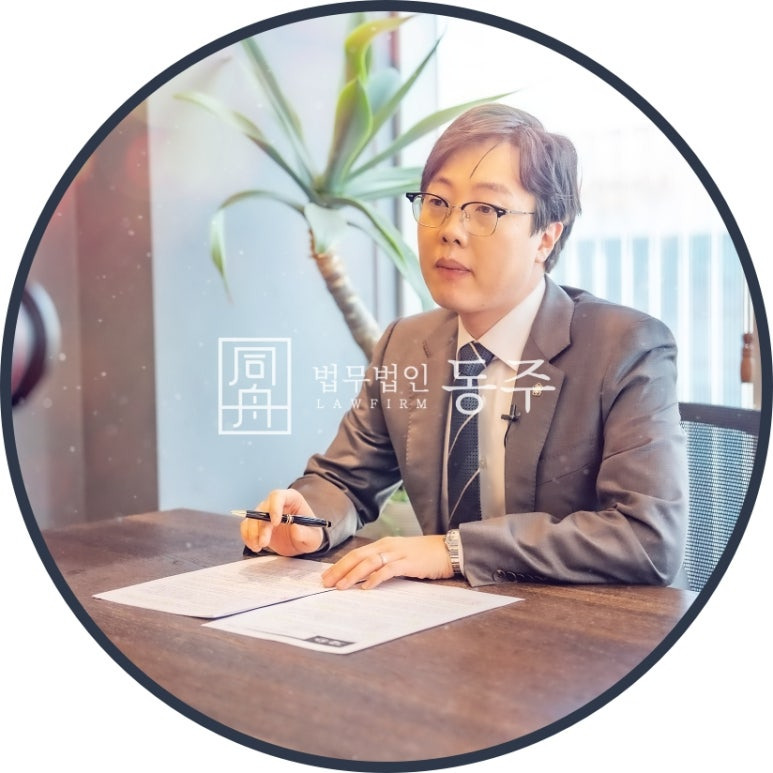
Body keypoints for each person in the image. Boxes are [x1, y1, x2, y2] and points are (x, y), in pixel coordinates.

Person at [241, 104, 688, 590]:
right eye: (437, 202)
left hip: (574, 626)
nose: (450, 230)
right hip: (445, 621)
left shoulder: (624, 348)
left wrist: (458, 551)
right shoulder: (404, 344)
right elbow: (345, 481)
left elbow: (647, 538)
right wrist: (308, 519)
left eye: (485, 211)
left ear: (545, 237)